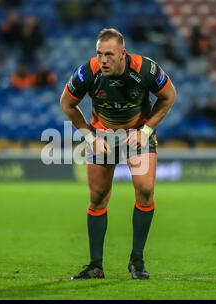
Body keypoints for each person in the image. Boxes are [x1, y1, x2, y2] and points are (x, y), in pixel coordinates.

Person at [60, 28, 176, 280]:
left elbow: (169, 96)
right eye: (99, 54)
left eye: (109, 54)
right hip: (103, 136)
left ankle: (137, 261)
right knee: (98, 197)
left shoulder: (145, 69)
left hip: (137, 135)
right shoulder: (88, 72)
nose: (103, 60)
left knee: (145, 191)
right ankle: (95, 266)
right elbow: (66, 104)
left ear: (123, 53)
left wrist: (145, 131)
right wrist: (90, 137)